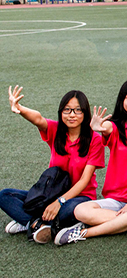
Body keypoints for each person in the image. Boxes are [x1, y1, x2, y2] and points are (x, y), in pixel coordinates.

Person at [56, 79, 127, 245]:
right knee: (80, 210)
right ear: (122, 100)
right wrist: (98, 127)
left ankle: (84, 232)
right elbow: (107, 127)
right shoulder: (115, 127)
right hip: (115, 199)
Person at [2, 86, 105, 244]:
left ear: (85, 113)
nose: (72, 115)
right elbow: (38, 119)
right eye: (67, 110)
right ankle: (36, 224)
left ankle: (28, 221)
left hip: (80, 197)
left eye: (78, 110)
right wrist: (19, 108)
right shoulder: (56, 131)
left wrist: (59, 202)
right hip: (51, 193)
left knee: (66, 211)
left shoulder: (94, 139)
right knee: (5, 195)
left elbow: (85, 180)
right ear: (61, 112)